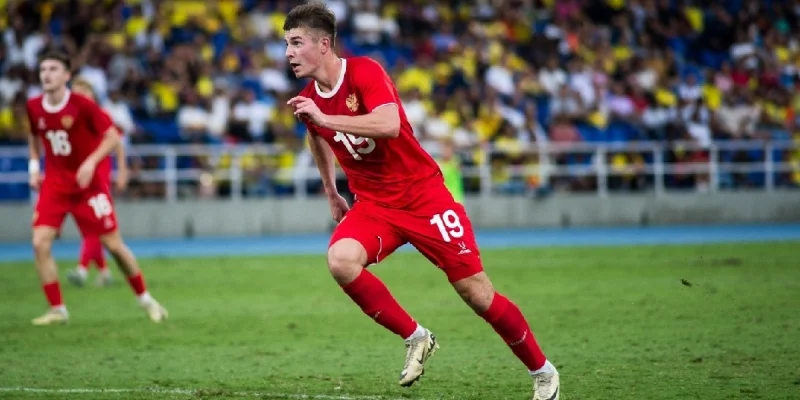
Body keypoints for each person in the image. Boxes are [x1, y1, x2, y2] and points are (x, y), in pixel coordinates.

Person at [283, 3, 559, 399]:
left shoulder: (364, 72)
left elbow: (389, 124)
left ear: (323, 44)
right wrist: (331, 190)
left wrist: (325, 119)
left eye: (296, 43)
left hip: (424, 198)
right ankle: (416, 337)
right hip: (375, 205)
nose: (289, 53)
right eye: (287, 44)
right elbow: (316, 135)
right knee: (340, 260)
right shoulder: (310, 98)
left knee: (477, 294)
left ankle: (543, 371)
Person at [26, 51, 168, 325]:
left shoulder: (83, 105)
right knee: (39, 243)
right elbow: (34, 137)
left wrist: (91, 162)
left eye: (53, 69)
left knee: (113, 245)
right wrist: (34, 168)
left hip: (88, 187)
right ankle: (57, 309)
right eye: (43, 69)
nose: (46, 74)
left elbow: (113, 137)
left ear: (66, 75)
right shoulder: (33, 106)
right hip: (55, 185)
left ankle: (146, 300)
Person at [65, 77, 129, 287]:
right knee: (90, 227)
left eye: (84, 92)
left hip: (98, 176)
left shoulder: (101, 115)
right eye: (76, 93)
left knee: (95, 226)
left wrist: (122, 171)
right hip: (79, 177)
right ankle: (104, 271)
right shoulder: (69, 120)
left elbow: (117, 143)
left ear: (93, 96)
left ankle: (82, 270)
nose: (80, 97)